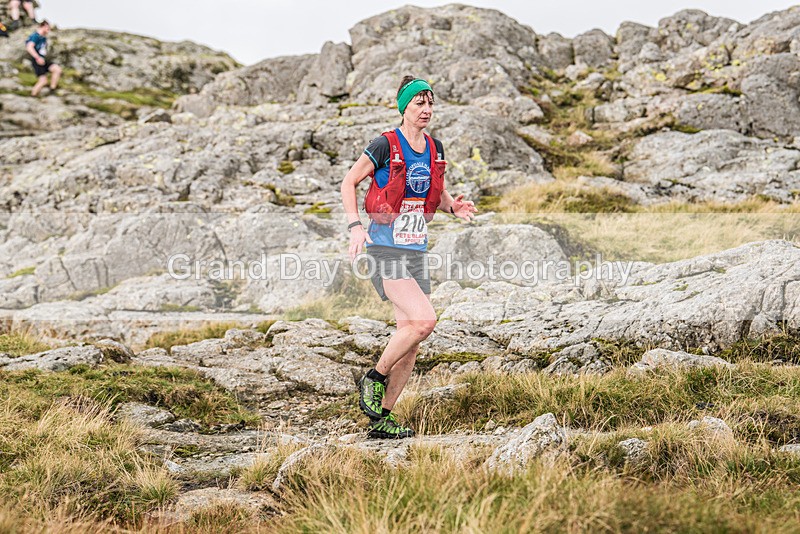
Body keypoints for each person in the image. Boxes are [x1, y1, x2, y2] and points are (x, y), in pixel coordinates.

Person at [340, 76, 478, 439]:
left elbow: (434, 188)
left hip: (416, 250)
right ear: (404, 107)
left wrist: (452, 206)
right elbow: (349, 181)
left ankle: (382, 419)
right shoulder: (385, 144)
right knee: (424, 321)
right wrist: (356, 226)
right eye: (419, 103)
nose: (426, 110)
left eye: (430, 103)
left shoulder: (435, 147)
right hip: (385, 248)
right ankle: (374, 377)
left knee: (411, 341)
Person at [26, 20, 61, 97]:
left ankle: (52, 89)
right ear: (43, 26)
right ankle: (33, 95)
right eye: (48, 28)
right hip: (37, 60)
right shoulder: (35, 36)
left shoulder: (43, 38)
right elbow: (29, 47)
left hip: (43, 59)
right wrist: (37, 58)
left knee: (57, 69)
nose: (49, 30)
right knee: (43, 81)